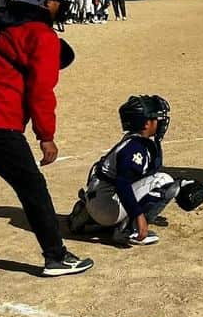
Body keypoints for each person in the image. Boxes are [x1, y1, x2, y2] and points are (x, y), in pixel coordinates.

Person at [0, 0, 93, 276]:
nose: (61, 5)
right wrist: (46, 135)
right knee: (32, 189)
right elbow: (40, 90)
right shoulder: (41, 35)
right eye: (58, 0)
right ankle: (56, 256)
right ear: (47, 3)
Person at [69, 95, 180, 246]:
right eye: (157, 118)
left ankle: (87, 215)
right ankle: (129, 229)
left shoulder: (131, 140)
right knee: (163, 180)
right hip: (107, 208)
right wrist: (138, 215)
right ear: (147, 123)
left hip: (96, 198)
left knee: (141, 180)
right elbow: (123, 184)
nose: (161, 122)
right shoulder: (136, 149)